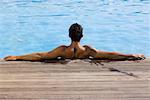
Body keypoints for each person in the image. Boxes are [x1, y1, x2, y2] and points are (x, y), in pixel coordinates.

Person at [4, 23, 145, 61]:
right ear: (82, 36)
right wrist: (130, 55)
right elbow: (110, 55)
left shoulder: (63, 51)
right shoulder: (88, 51)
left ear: (69, 35)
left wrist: (17, 57)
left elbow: (41, 56)